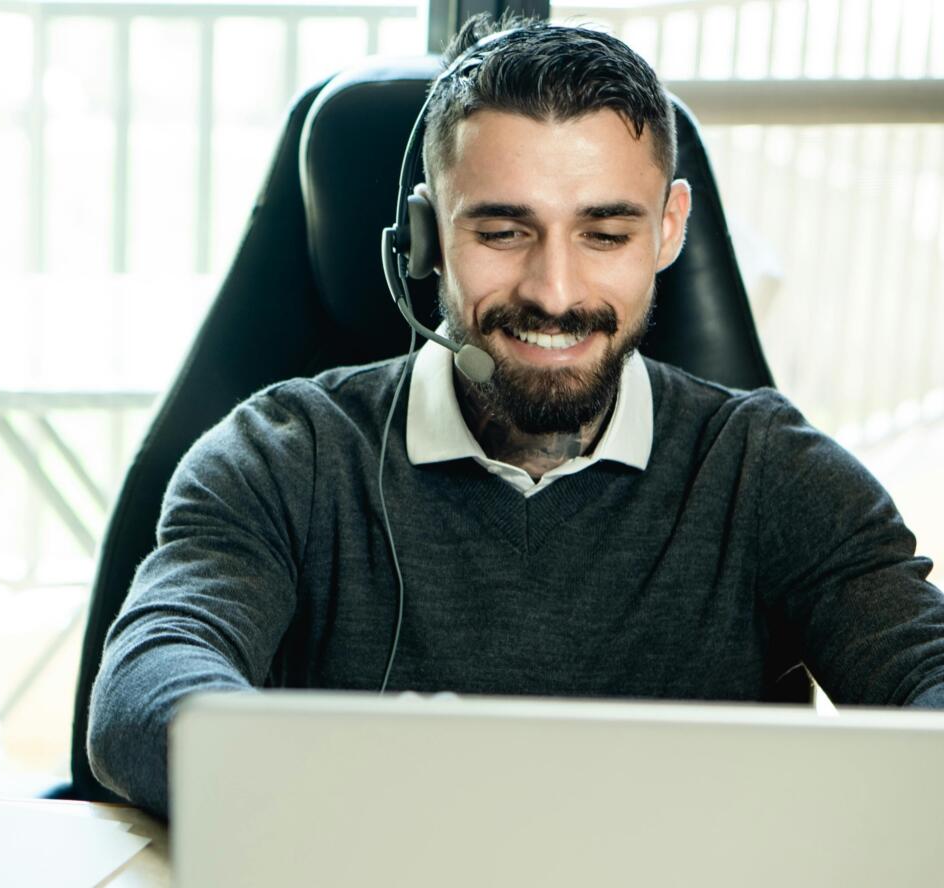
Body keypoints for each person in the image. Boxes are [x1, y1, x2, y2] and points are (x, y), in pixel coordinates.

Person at [87, 15, 944, 818]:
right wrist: (379, 800)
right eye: (503, 232)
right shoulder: (284, 454)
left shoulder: (771, 469)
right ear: (425, 237)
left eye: (605, 234)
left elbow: (926, 674)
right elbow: (146, 688)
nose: (555, 293)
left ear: (669, 230)